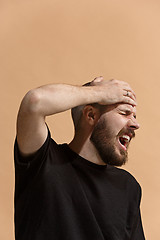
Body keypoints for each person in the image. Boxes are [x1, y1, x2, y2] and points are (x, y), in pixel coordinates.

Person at [14, 77, 145, 240]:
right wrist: (100, 93)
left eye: (134, 116)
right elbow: (35, 101)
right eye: (125, 113)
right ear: (90, 115)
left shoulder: (128, 187)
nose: (135, 125)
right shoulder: (44, 162)